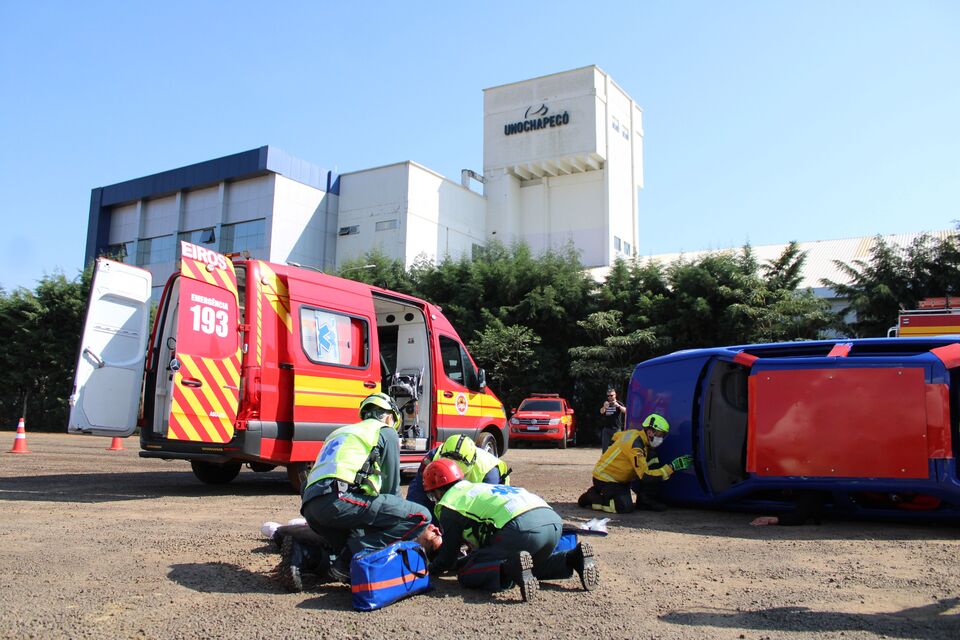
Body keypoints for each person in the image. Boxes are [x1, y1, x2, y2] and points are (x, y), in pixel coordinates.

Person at [279, 392, 433, 592]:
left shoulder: (341, 433)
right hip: (339, 499)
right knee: (421, 516)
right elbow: (391, 491)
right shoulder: (385, 431)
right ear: (389, 417)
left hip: (310, 505)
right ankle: (348, 558)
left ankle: (303, 554)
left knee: (348, 548)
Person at [422, 458, 599, 602]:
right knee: (527, 565)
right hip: (551, 522)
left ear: (438, 490)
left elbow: (447, 558)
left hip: (520, 527)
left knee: (468, 572)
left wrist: (431, 570)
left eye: (432, 495)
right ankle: (572, 558)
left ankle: (509, 568)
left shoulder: (450, 503)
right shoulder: (477, 487)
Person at [577, 413, 692, 514]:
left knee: (652, 456)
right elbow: (646, 476)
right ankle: (593, 498)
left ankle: (645, 501)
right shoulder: (636, 446)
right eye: (660, 434)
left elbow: (615, 437)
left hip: (620, 480)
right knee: (624, 507)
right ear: (650, 432)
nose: (661, 438)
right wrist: (672, 467)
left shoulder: (636, 435)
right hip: (605, 479)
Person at [406, 434, 511, 511]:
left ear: (472, 462)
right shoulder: (433, 457)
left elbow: (486, 509)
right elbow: (418, 490)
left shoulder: (489, 472)